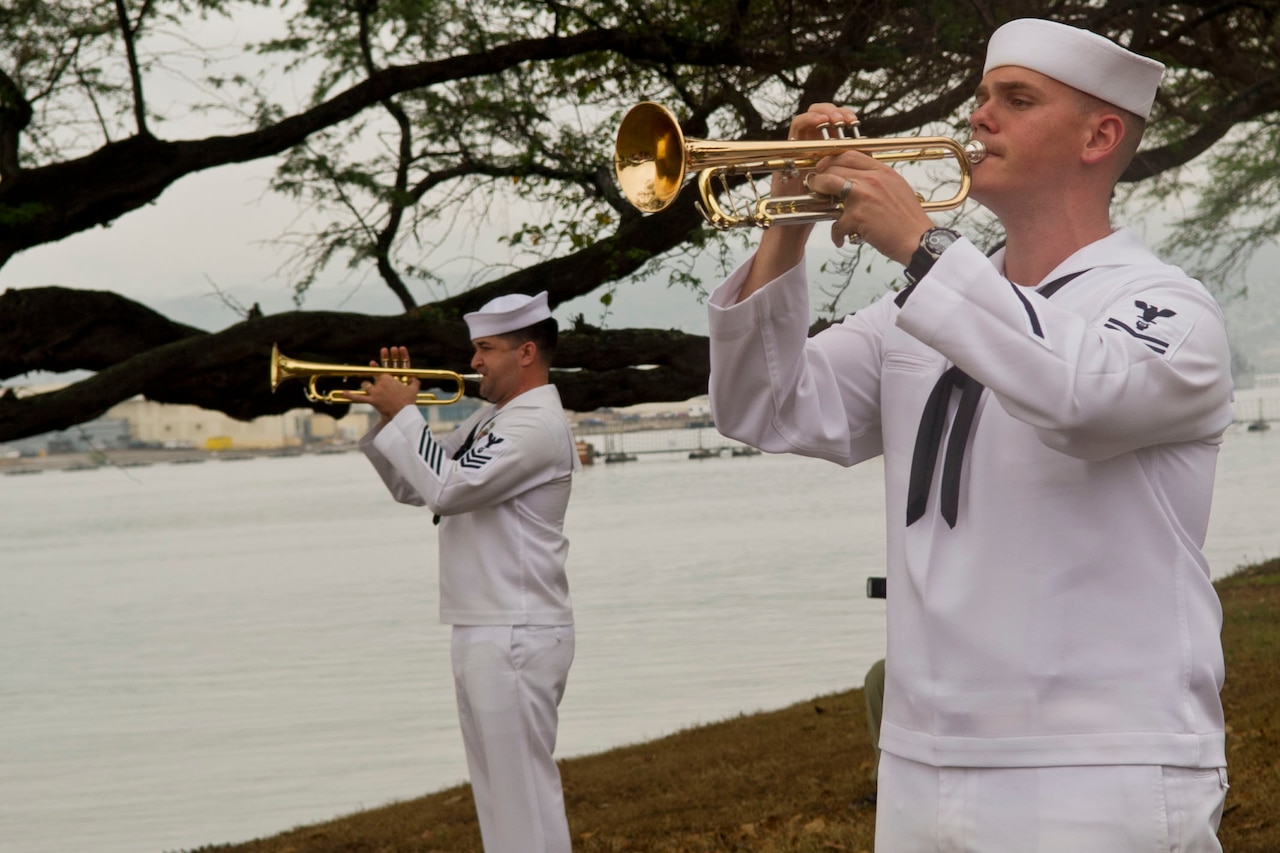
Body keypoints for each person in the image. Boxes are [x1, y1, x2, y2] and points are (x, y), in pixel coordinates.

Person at [707, 18, 1233, 851]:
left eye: (1016, 100)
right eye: (982, 96)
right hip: (922, 760)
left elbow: (1080, 398)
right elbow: (764, 406)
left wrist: (921, 246)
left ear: (1099, 135)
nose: (978, 117)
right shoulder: (921, 307)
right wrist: (788, 214)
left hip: (1098, 768)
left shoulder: (1168, 308)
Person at [347, 291, 580, 853]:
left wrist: (407, 414)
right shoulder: (493, 419)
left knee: (523, 797)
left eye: (485, 349)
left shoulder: (536, 426)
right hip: (483, 625)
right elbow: (415, 485)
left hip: (516, 628)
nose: (473, 362)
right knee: (499, 801)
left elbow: (449, 491)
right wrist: (389, 418)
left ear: (526, 353)